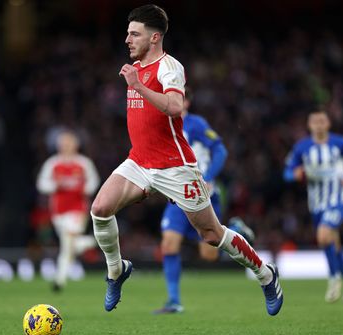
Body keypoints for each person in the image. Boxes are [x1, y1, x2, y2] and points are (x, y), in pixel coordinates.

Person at [90, 4, 283, 316]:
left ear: (155, 38)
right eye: (127, 33)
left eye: (134, 34)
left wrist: (138, 86)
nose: (127, 39)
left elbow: (175, 106)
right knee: (100, 209)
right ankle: (116, 271)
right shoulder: (136, 67)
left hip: (175, 167)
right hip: (139, 162)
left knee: (211, 235)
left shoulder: (169, 67)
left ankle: (266, 274)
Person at [154, 89, 255, 314]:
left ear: (186, 102)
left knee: (208, 254)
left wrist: (207, 178)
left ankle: (235, 231)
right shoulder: (161, 125)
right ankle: (173, 301)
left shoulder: (196, 124)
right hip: (177, 195)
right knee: (168, 244)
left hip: (202, 193)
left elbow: (220, 149)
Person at [284, 111, 343, 303]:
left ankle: (334, 278)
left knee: (323, 235)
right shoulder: (302, 147)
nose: (318, 125)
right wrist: (296, 175)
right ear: (309, 125)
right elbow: (287, 172)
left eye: (322, 121)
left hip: (337, 197)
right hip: (316, 202)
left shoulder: (340, 143)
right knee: (332, 240)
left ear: (328, 124)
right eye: (314, 121)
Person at [37, 130, 100, 292]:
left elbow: (93, 181)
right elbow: (41, 184)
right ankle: (94, 242)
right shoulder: (52, 163)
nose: (65, 146)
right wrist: (54, 186)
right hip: (58, 211)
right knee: (68, 246)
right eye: (63, 143)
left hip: (78, 209)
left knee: (68, 243)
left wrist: (85, 189)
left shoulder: (83, 163)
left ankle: (59, 280)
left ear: (75, 145)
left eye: (68, 143)